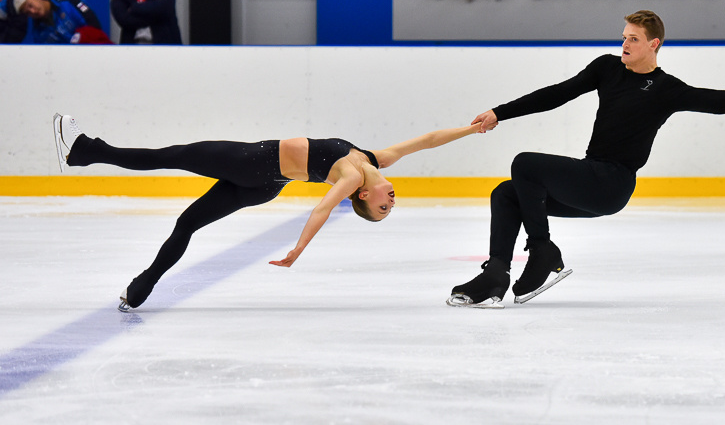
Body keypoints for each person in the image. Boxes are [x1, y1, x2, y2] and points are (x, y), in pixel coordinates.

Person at [447, 10, 725, 309]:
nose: (625, 44)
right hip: (589, 175)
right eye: (624, 37)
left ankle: (542, 251)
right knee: (506, 193)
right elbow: (557, 93)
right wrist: (500, 113)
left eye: (634, 39)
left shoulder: (665, 88)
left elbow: (710, 99)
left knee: (525, 163)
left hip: (611, 185)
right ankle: (494, 276)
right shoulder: (607, 68)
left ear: (654, 44)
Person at [52, 113, 484, 311]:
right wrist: (472, 128)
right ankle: (141, 288)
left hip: (252, 165)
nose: (393, 201)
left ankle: (85, 151)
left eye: (384, 209)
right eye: (391, 205)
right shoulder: (375, 159)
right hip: (265, 186)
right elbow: (428, 139)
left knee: (174, 155)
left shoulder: (352, 177)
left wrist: (298, 249)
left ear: (364, 199)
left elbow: (319, 209)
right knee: (187, 224)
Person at [13, 0, 112, 44]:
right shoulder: (38, 33)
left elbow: (95, 28)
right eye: (28, 13)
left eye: (30, 5)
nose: (33, 11)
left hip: (92, 55)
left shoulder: (68, 3)